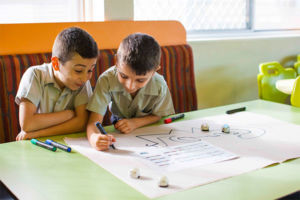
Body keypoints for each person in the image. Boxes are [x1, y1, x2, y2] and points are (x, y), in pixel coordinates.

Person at [86, 33, 175, 151]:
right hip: (119, 128)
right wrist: (93, 138)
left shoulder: (159, 84)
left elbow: (160, 115)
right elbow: (94, 121)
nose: (130, 86)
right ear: (116, 61)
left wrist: (135, 123)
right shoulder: (106, 80)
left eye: (140, 80)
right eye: (123, 76)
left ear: (154, 72)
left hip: (150, 134)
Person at [15, 27, 98, 140]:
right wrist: (68, 115)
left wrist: (37, 134)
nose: (85, 78)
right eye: (78, 70)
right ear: (55, 64)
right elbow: (27, 124)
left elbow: (81, 123)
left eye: (90, 70)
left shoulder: (81, 82)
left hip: (64, 142)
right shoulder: (35, 75)